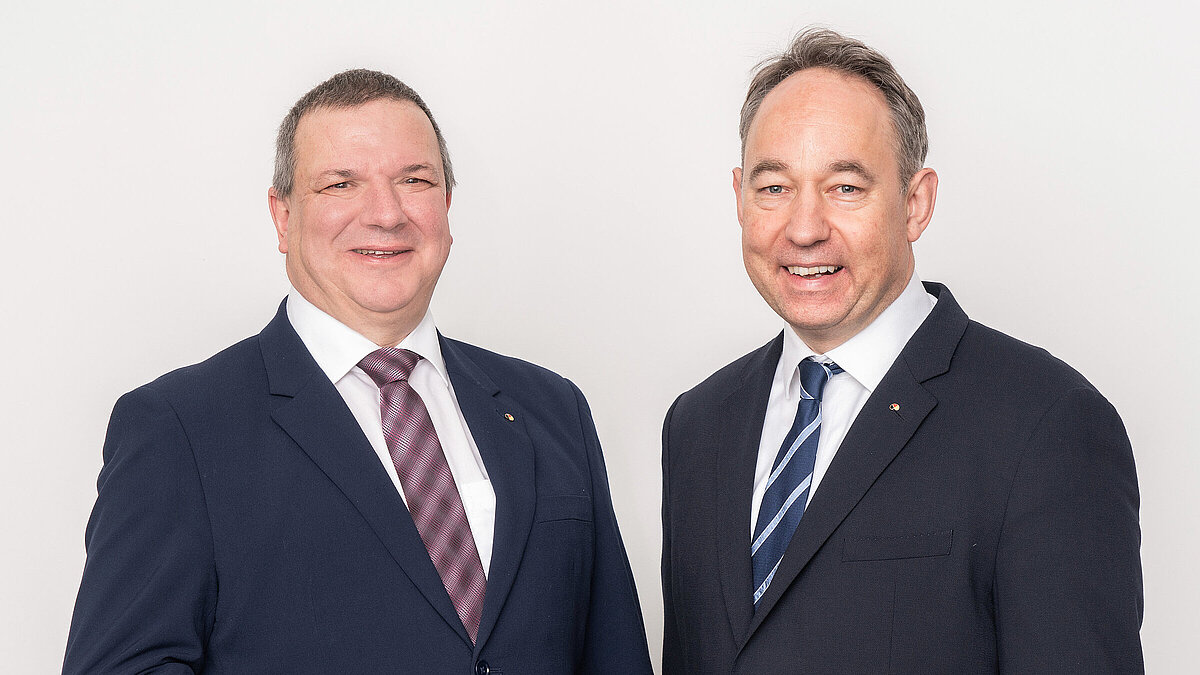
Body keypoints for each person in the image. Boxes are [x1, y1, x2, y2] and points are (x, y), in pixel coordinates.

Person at [64, 69, 652, 674]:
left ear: (447, 205)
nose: (387, 214)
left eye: (414, 180)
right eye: (341, 184)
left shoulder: (551, 409)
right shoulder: (180, 429)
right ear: (282, 215)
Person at [661, 28, 1142, 673]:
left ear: (916, 204)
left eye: (845, 188)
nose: (804, 229)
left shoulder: (1046, 425)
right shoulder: (697, 426)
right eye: (774, 187)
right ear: (739, 199)